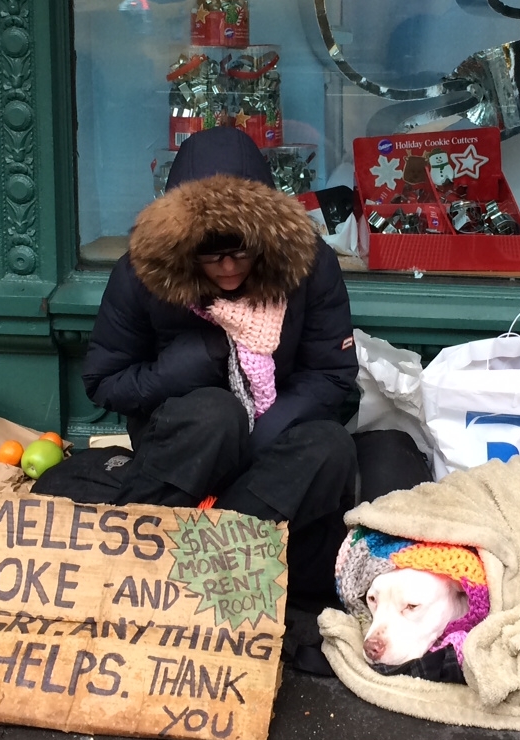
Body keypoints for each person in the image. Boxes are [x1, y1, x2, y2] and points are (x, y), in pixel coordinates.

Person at [77, 128, 361, 616]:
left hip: (274, 452)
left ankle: (197, 573)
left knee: (332, 445)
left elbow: (333, 376)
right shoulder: (141, 272)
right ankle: (134, 559)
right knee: (217, 413)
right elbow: (104, 382)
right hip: (184, 444)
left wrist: (263, 434)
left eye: (242, 251)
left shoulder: (310, 266)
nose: (229, 267)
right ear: (183, 245)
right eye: (211, 254)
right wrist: (179, 367)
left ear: (267, 240)